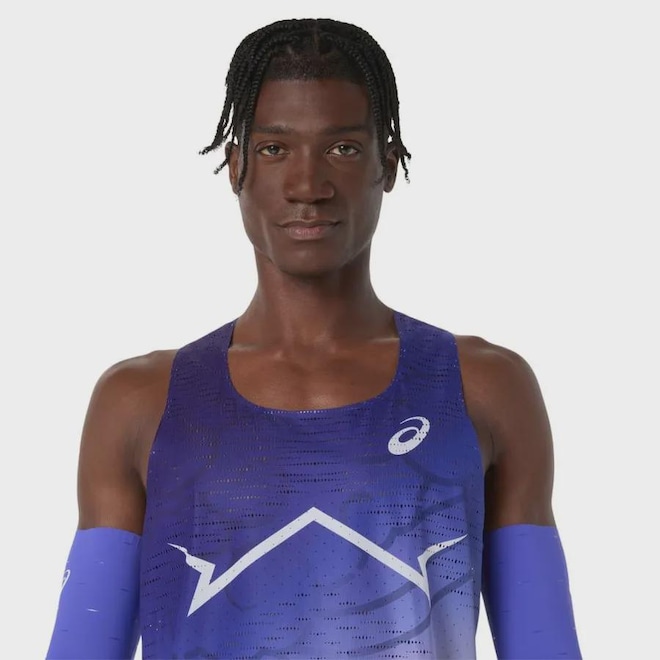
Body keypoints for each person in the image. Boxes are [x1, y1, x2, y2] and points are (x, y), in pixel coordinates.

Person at [46, 17, 582, 660]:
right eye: (275, 148)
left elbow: (545, 648)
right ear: (236, 166)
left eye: (343, 148)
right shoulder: (139, 402)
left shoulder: (484, 387)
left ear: (388, 164)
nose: (308, 186)